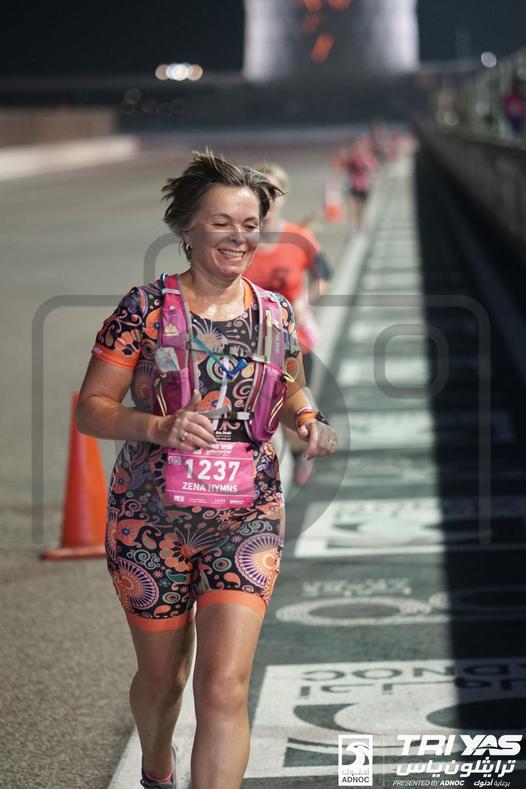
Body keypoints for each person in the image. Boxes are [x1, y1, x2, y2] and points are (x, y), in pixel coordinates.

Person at [76, 150, 338, 789]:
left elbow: (290, 387)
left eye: (250, 225)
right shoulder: (143, 309)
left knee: (225, 684)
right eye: (222, 223)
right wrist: (158, 427)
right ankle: (157, 768)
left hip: (247, 522)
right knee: (164, 680)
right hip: (149, 525)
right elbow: (91, 408)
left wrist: (308, 419)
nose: (239, 238)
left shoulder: (274, 312)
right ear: (187, 229)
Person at [243, 162, 332, 485]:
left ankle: (296, 453)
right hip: (248, 342)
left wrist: (304, 300)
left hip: (295, 341)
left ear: (283, 197)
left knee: (292, 412)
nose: (267, 198)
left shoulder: (300, 238)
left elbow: (325, 277)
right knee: (254, 414)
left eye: (273, 191)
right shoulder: (238, 242)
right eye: (259, 191)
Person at [339, 136, 376, 230]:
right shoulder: (351, 158)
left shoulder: (367, 157)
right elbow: (341, 166)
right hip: (353, 185)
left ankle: (360, 223)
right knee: (355, 205)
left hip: (364, 185)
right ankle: (356, 225)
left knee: (362, 207)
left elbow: (372, 168)